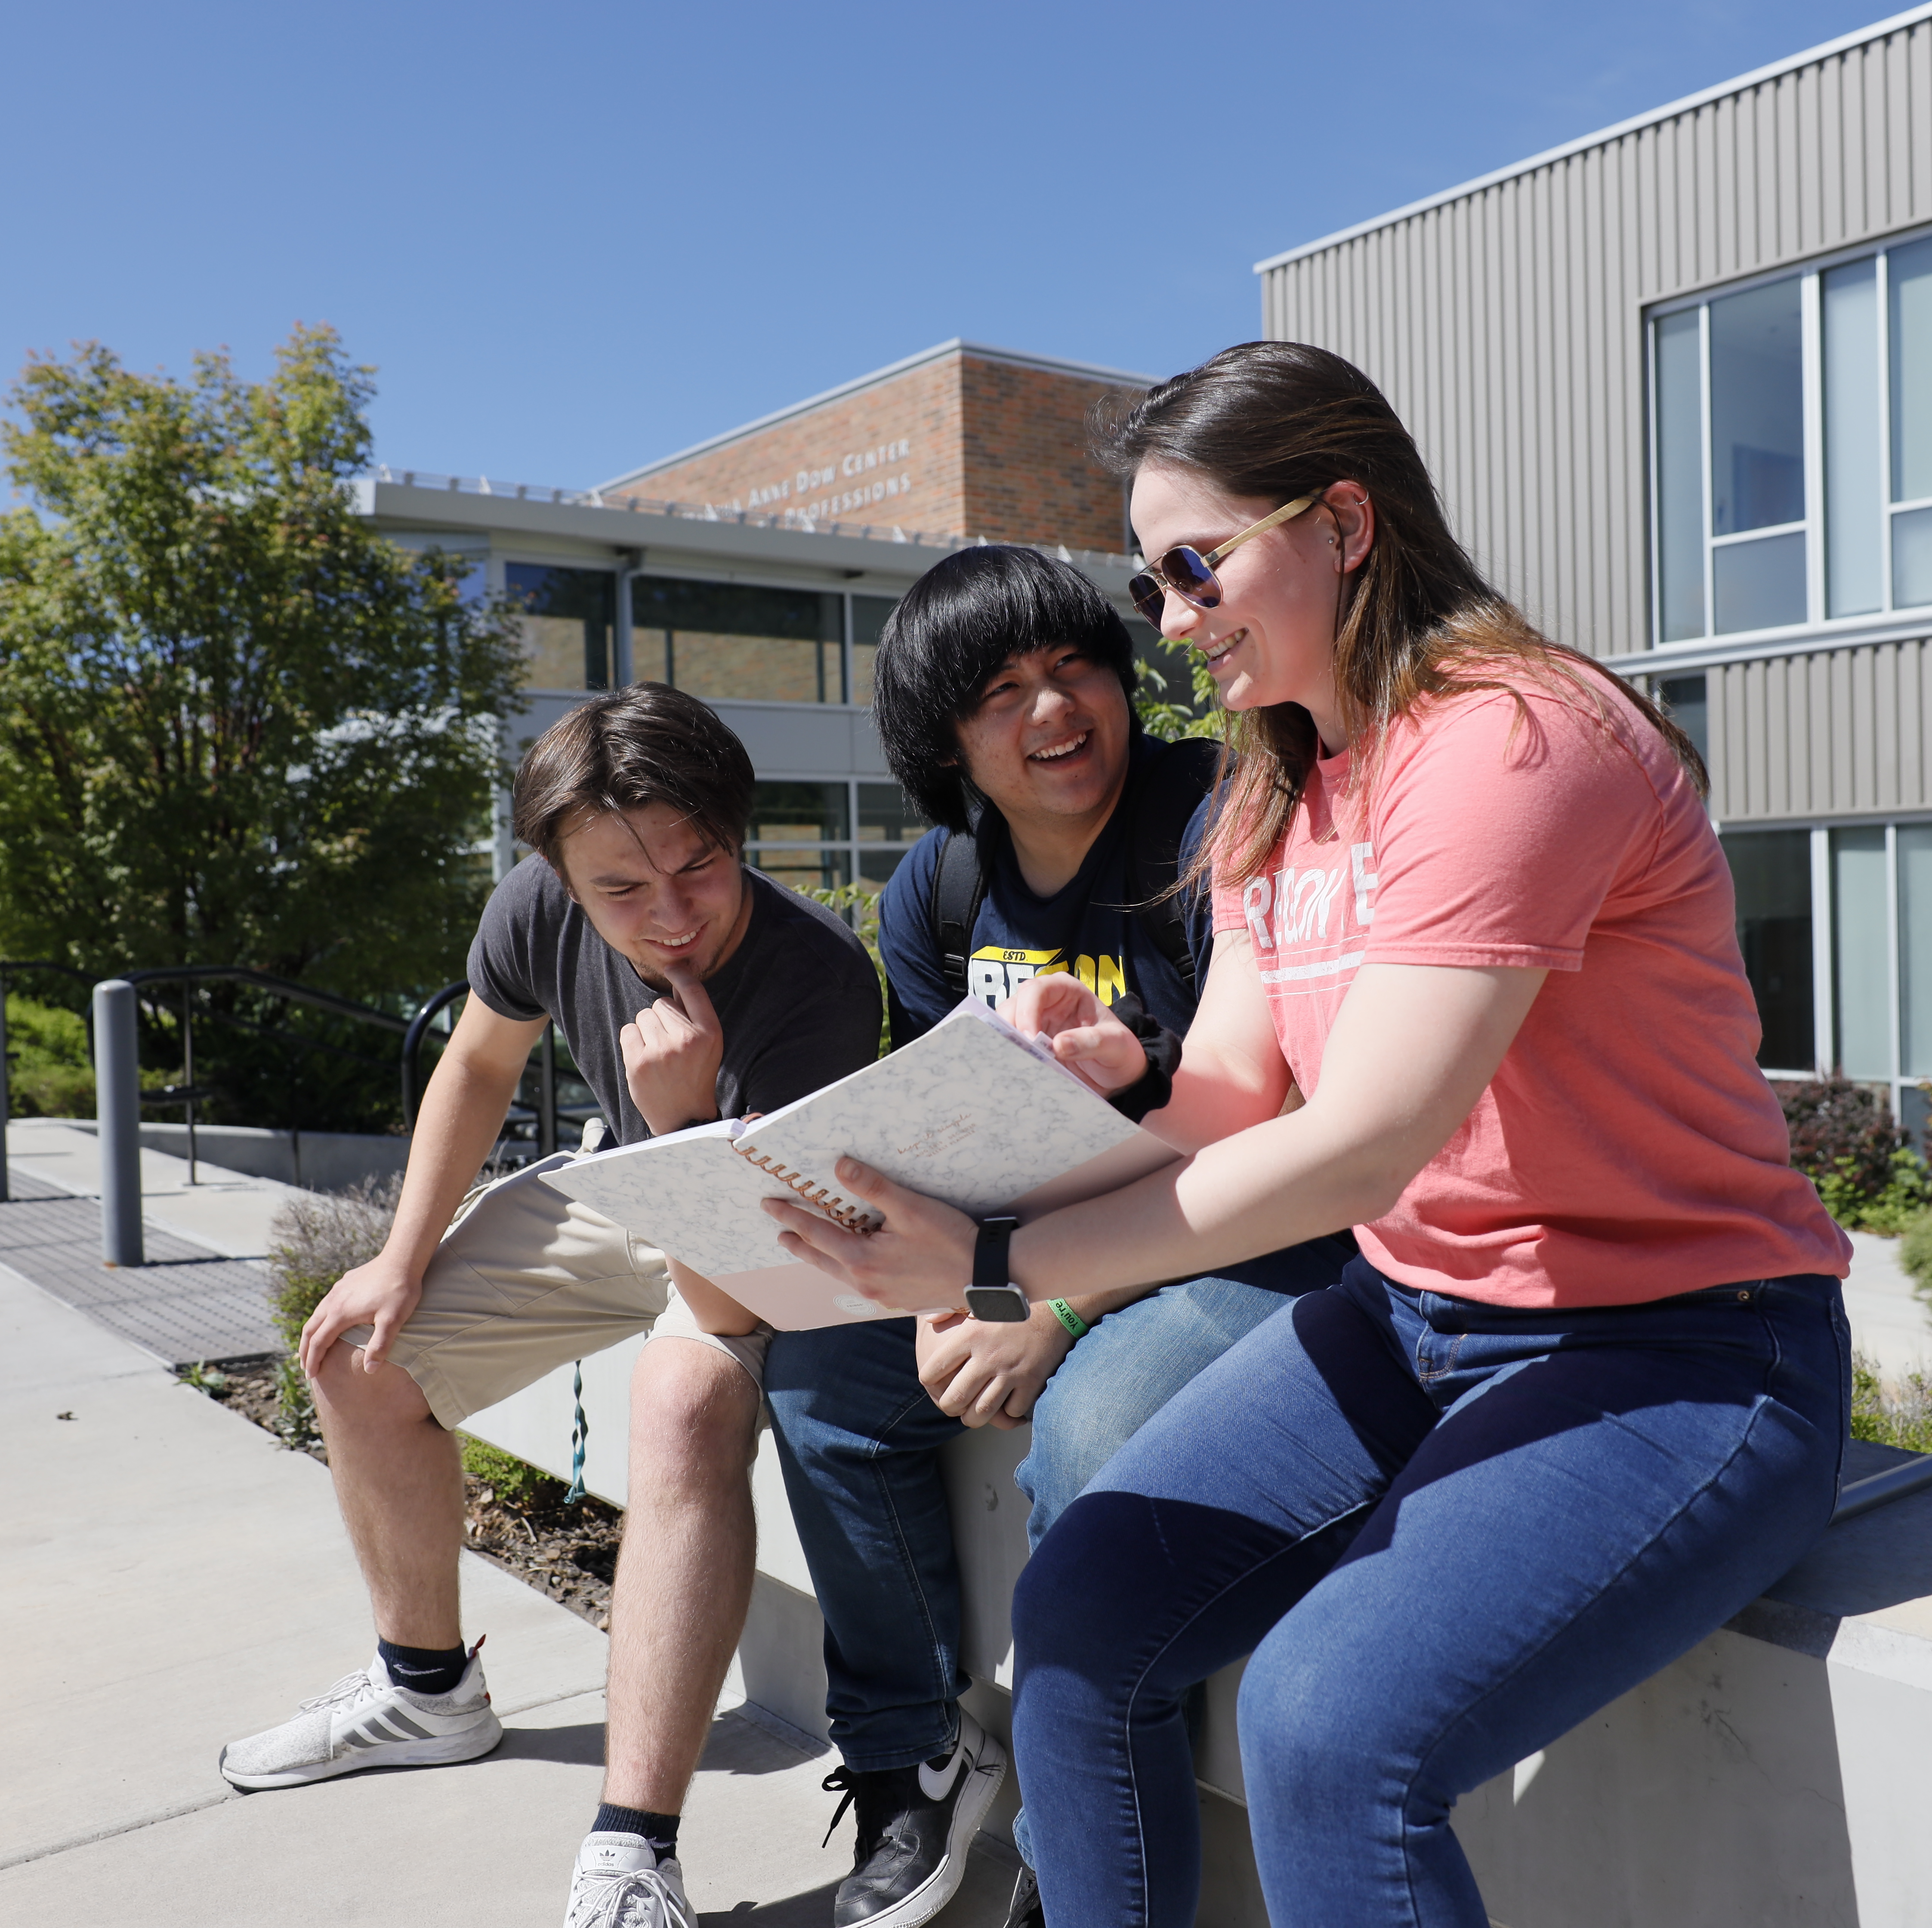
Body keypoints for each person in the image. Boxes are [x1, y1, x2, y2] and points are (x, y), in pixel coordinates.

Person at [757, 342, 1853, 1928]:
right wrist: (1047, 1106)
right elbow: (1220, 1102)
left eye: (1196, 568)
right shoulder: (1278, 786)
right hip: (1416, 1317)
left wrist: (1004, 1262)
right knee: (1077, 1624)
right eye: (1156, 590)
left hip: (1681, 1348)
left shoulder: (1512, 742)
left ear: (1343, 523)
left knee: (1326, 1727)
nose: (1178, 623)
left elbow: (1361, 1149)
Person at [218, 684, 883, 1928]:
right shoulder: (537, 902)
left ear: (738, 833)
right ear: (561, 877)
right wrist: (400, 1257)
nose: (672, 916)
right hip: (623, 1179)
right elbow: (478, 1060)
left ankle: (635, 1852)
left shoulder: (817, 984)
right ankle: (426, 1691)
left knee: (683, 1400)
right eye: (623, 892)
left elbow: (732, 1288)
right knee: (363, 1350)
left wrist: (685, 1122)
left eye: (702, 866)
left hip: (763, 1223)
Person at [759, 544, 1351, 1928]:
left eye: (1075, 665)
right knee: (825, 1384)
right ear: (944, 737)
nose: (1054, 710)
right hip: (1039, 1240)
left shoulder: (1225, 811)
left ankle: (1072, 1838)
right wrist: (928, 1267)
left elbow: (1290, 1117)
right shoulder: (939, 888)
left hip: (1255, 1232)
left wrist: (1057, 1306)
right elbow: (953, 1126)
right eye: (1002, 690)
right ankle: (916, 1755)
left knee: (1089, 1430)